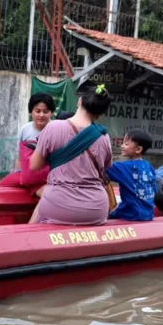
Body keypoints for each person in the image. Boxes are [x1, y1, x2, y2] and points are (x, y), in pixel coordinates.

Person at [28, 84, 113, 226]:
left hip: (58, 206)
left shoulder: (53, 127)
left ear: (80, 101)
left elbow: (34, 166)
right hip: (95, 209)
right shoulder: (104, 136)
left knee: (34, 222)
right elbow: (105, 169)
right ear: (100, 114)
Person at [0, 93, 56, 191]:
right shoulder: (25, 130)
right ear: (30, 111)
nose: (41, 115)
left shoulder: (57, 129)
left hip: (48, 176)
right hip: (25, 175)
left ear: (52, 112)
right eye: (37, 111)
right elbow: (20, 158)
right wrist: (16, 173)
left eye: (45, 111)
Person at [106, 129, 156, 221]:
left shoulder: (125, 168)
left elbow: (101, 167)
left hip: (130, 214)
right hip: (148, 214)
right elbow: (154, 188)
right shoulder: (149, 166)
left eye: (126, 144)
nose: (122, 146)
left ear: (138, 149)